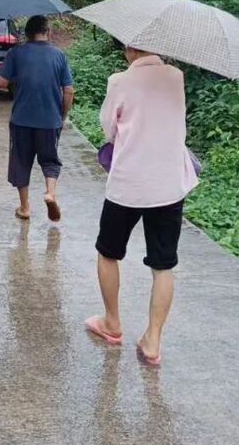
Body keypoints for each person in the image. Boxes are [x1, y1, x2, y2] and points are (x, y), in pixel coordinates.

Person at [84, 45, 199, 366]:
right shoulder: (176, 77)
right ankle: (153, 340)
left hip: (128, 184)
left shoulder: (120, 81)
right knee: (163, 264)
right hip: (168, 184)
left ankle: (111, 322)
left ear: (132, 47)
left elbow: (109, 129)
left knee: (108, 252)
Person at [0, 15, 74, 222]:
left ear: (27, 34)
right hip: (49, 120)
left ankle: (25, 208)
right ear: (48, 32)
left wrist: (13, 70)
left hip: (21, 119)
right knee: (50, 160)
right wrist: (62, 115)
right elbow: (68, 90)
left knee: (21, 162)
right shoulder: (59, 55)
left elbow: (2, 83)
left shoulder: (16, 52)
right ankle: (50, 193)